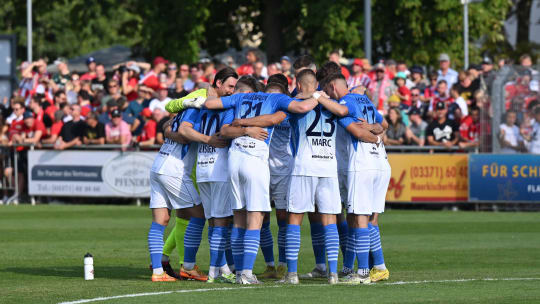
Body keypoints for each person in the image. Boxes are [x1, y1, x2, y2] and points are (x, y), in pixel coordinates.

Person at [200, 80, 321, 285]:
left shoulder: (239, 98)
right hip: (254, 159)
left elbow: (211, 107)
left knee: (238, 219)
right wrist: (318, 96)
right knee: (255, 219)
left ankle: (239, 273)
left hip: (234, 159)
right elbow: (300, 108)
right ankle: (247, 273)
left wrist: (243, 123)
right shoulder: (276, 99)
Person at [320, 73, 389, 284]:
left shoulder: (346, 102)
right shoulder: (364, 99)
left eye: (327, 91)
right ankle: (379, 267)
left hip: (363, 164)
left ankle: (363, 272)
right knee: (368, 220)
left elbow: (347, 118)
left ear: (332, 87)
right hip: (381, 162)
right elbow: (383, 123)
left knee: (359, 217)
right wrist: (375, 131)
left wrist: (318, 97)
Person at [176, 68, 240, 283]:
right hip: (219, 170)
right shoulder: (227, 106)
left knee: (213, 221)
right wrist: (211, 139)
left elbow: (183, 129)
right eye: (230, 86)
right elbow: (225, 132)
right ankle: (216, 272)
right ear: (218, 83)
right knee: (220, 222)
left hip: (203, 169)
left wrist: (203, 140)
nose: (232, 91)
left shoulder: (199, 104)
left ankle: (220, 269)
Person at [147, 106, 217, 282]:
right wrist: (209, 139)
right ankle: (188, 267)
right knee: (199, 216)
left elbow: (167, 126)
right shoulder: (197, 113)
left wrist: (169, 132)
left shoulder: (181, 114)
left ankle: (158, 271)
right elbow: (185, 137)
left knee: (161, 220)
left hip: (158, 165)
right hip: (174, 170)